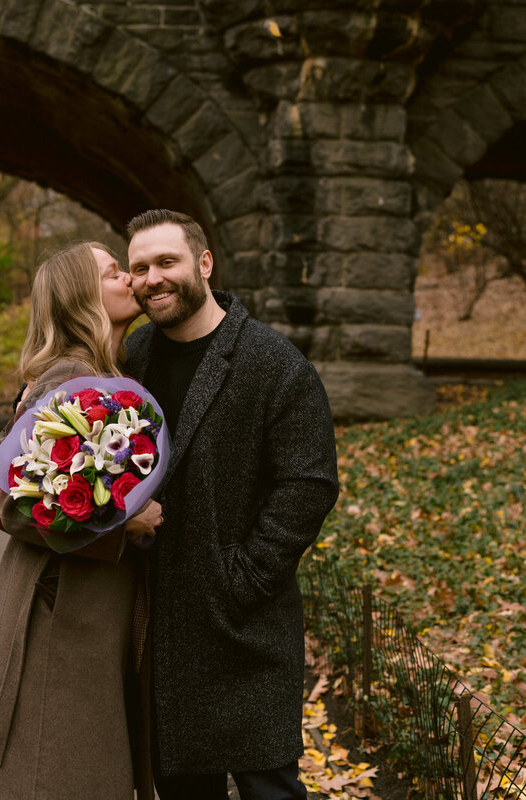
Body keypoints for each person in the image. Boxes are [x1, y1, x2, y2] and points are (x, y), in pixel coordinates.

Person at [122, 210, 339, 800]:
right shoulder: (133, 355)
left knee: (269, 785)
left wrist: (239, 577)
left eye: (166, 262)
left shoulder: (272, 362)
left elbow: (308, 483)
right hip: (159, 622)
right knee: (181, 787)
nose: (151, 279)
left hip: (245, 622)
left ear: (204, 264)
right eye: (139, 268)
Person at [0, 241, 163, 800]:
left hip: (80, 600)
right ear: (83, 296)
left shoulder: (102, 370)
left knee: (74, 764)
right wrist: (123, 520)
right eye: (113, 272)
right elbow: (11, 498)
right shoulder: (71, 377)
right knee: (56, 770)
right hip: (58, 605)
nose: (130, 279)